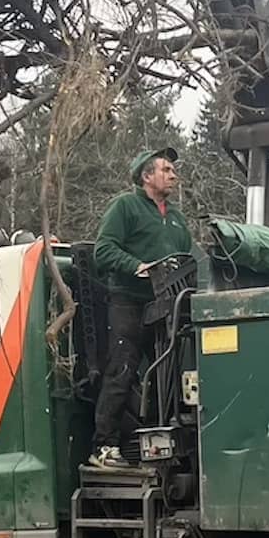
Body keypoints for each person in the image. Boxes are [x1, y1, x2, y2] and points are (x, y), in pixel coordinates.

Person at [88, 146, 193, 467]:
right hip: (128, 303)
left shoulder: (176, 218)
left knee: (168, 375)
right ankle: (104, 446)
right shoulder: (126, 207)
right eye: (166, 170)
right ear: (147, 176)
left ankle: (166, 445)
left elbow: (186, 257)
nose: (173, 175)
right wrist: (136, 266)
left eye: (173, 170)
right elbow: (103, 250)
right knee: (122, 371)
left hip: (166, 305)